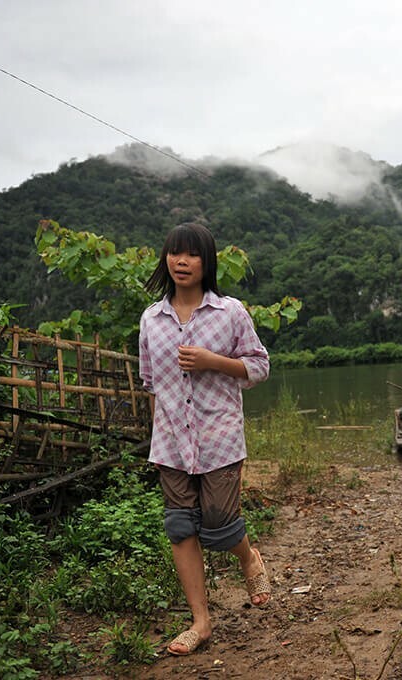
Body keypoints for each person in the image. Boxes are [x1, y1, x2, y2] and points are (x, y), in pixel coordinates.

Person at [138, 222, 272, 656]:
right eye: (174, 253)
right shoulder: (151, 320)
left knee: (217, 521)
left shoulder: (230, 313)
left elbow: (259, 367)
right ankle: (200, 621)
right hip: (172, 444)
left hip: (219, 437)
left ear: (206, 262)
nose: (181, 261)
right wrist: (157, 445)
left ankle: (248, 557)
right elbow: (151, 384)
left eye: (191, 254)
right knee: (180, 527)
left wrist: (216, 361)